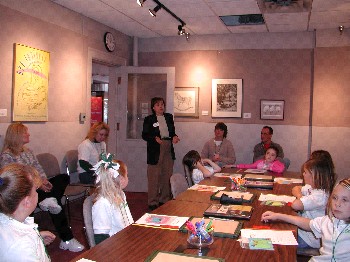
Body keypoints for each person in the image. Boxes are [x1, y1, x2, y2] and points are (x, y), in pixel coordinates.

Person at [0, 123, 84, 252]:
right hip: (24, 192)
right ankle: (67, 238)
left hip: (38, 186)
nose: (28, 134)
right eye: (25, 132)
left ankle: (48, 198)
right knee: (55, 205)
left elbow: (38, 167)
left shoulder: (28, 151)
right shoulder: (7, 156)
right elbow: (17, 178)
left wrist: (44, 180)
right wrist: (39, 184)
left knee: (63, 178)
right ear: (16, 135)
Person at [261, 178, 350, 261]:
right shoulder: (329, 221)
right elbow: (308, 224)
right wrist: (278, 216)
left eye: (345, 200)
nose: (337, 204)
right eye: (334, 198)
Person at [0, 163, 56, 261]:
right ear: (27, 202)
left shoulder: (8, 219)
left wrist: (37, 239)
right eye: (35, 190)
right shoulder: (21, 247)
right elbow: (20, 248)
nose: (37, 193)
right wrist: (29, 241)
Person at [142, 97, 180, 211]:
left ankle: (165, 199)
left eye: (162, 104)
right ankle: (152, 201)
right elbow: (144, 135)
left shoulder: (168, 117)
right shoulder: (149, 119)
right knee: (154, 176)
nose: (161, 107)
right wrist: (154, 138)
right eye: (158, 105)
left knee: (167, 174)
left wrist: (174, 137)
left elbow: (172, 132)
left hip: (168, 146)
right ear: (153, 107)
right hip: (155, 149)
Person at [91, 153, 133, 244]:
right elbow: (100, 237)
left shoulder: (120, 195)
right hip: (115, 246)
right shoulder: (102, 203)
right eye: (127, 175)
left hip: (126, 238)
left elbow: (126, 220)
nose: (128, 177)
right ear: (121, 179)